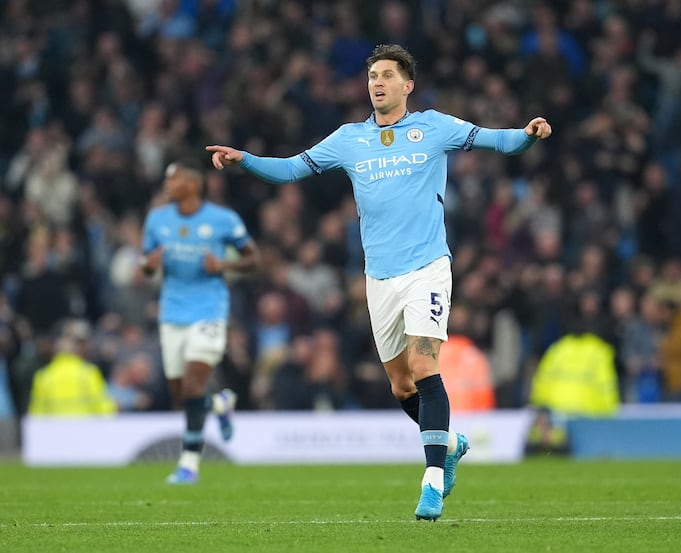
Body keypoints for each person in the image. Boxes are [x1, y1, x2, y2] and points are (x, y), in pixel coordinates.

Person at [206, 43, 552, 520]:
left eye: (387, 75)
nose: (378, 83)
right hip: (379, 277)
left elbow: (499, 140)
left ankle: (431, 482)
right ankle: (449, 444)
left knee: (425, 365)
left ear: (407, 85)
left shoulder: (434, 127)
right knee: (401, 386)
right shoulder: (350, 139)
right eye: (373, 76)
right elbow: (289, 170)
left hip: (427, 267)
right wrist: (244, 158)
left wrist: (530, 135)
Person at [140, 159, 259, 483]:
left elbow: (253, 258)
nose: (167, 185)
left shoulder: (222, 219)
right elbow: (145, 265)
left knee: (193, 383)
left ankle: (188, 464)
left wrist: (223, 265)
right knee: (182, 396)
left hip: (209, 310)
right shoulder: (157, 219)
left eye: (174, 179)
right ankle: (219, 403)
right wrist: (150, 266)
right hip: (172, 312)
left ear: (193, 185)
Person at [28, 319, 117, 416]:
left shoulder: (44, 376)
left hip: (55, 430)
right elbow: (104, 410)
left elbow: (37, 414)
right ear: (77, 348)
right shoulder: (89, 373)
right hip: (86, 429)